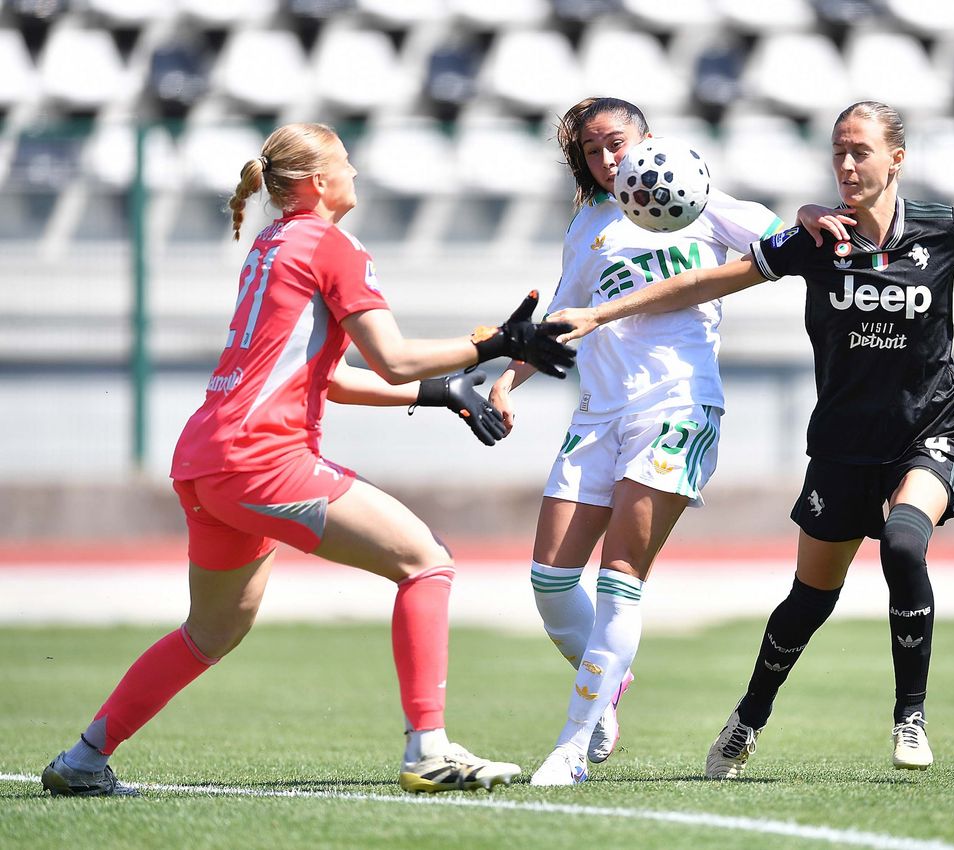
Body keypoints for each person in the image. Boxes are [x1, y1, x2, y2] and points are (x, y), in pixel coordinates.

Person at [551, 100, 954, 777]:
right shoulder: (819, 241)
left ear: (895, 159)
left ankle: (909, 717)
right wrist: (600, 313)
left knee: (905, 542)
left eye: (861, 152)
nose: (846, 165)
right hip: (843, 445)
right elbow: (707, 280)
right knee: (808, 601)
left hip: (930, 430)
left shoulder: (943, 230)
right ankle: (748, 717)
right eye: (838, 152)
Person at [39, 122, 575, 797]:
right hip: (262, 458)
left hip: (207, 460)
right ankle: (428, 748)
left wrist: (440, 394)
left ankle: (84, 760)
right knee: (426, 560)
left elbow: (326, 378)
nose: (355, 172)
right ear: (319, 183)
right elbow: (392, 357)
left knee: (210, 630)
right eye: (345, 163)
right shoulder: (333, 246)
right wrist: (499, 341)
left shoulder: (272, 243)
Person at [487, 97, 786, 786]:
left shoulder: (698, 199)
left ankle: (569, 746)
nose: (607, 159)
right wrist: (508, 380)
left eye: (616, 143)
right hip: (597, 416)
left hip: (676, 405)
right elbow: (562, 316)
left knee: (619, 579)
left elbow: (779, 245)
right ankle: (607, 685)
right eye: (592, 151)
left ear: (648, 139)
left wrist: (804, 223)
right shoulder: (590, 221)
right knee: (550, 581)